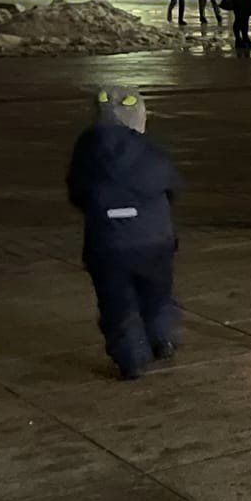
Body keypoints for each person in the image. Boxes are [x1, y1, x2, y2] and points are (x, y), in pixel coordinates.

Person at [67, 88, 181, 380]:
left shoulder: (87, 151)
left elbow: (77, 191)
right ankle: (161, 337)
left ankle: (132, 358)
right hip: (154, 240)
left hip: (107, 245)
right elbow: (172, 184)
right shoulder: (150, 151)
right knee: (157, 294)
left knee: (117, 302)